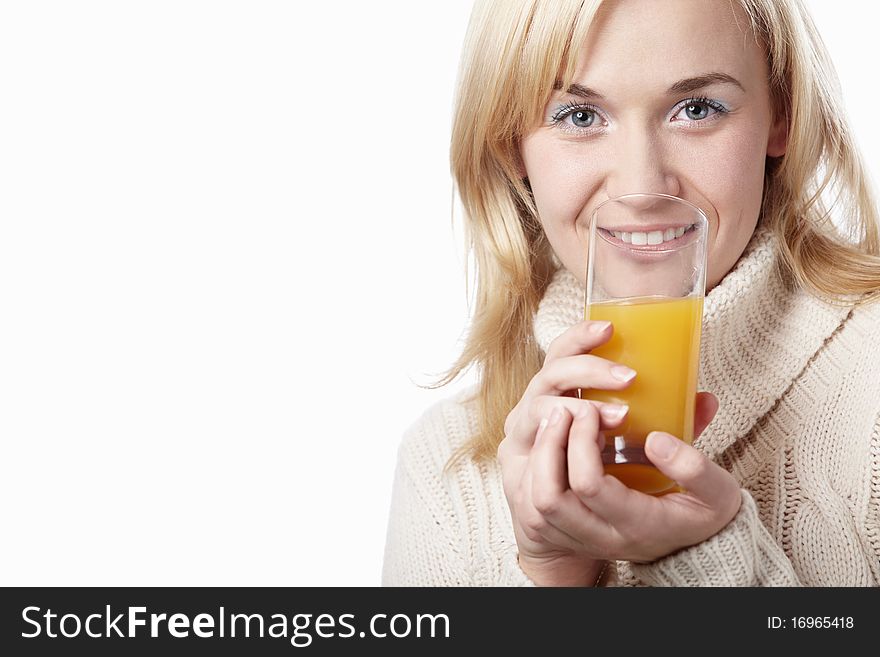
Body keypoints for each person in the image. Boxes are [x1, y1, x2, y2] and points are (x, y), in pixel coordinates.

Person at [382, 0, 880, 587]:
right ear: (510, 144)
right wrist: (555, 577)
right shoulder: (445, 469)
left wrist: (703, 558)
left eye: (696, 109)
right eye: (578, 117)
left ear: (782, 117)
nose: (642, 187)